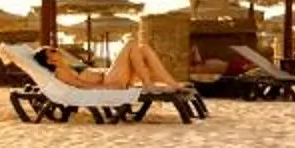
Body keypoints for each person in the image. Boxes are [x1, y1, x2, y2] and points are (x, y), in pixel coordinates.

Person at [34, 32, 184, 89]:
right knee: (131, 43)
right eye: (52, 51)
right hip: (109, 80)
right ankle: (148, 84)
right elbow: (81, 85)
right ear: (49, 61)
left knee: (143, 48)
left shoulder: (67, 64)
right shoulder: (61, 72)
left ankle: (172, 83)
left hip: (111, 76)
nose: (56, 49)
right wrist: (110, 87)